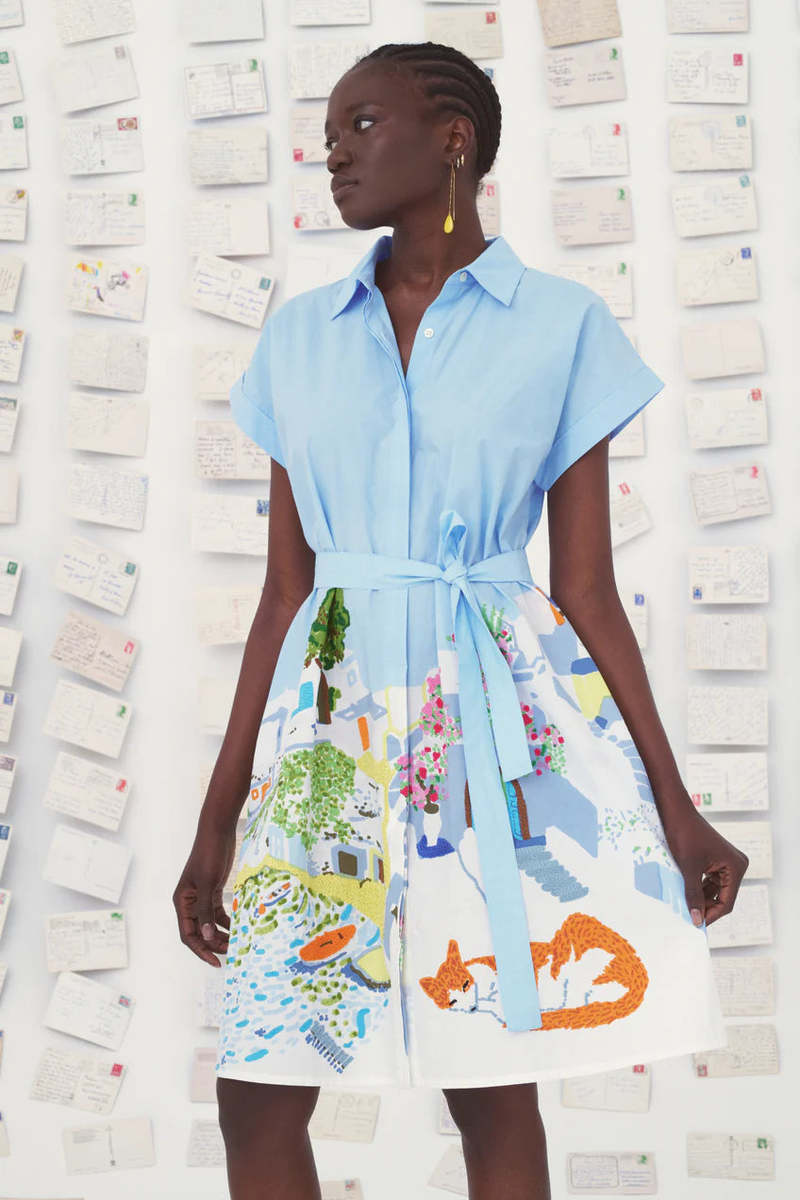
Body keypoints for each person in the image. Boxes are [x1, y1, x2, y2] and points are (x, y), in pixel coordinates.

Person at [173, 40, 749, 1200]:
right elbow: (285, 594)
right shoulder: (300, 334)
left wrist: (675, 806)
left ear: (452, 140)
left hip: (488, 733)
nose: (332, 153)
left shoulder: (560, 325)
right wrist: (216, 820)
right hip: (328, 744)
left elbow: (583, 588)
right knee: (258, 1088)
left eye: (360, 125)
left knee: (488, 1079)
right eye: (328, 133)